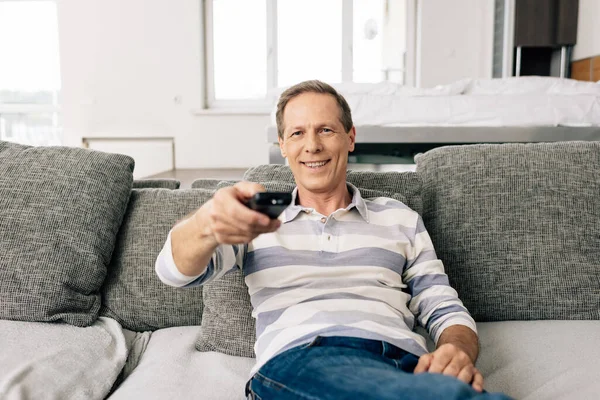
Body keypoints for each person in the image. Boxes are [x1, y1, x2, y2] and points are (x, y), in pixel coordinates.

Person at [155, 80, 511, 400]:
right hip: (302, 359)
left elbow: (444, 308)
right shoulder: (255, 220)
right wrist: (205, 224)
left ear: (350, 137)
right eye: (297, 133)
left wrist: (457, 351)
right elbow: (173, 272)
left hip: (403, 364)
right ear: (282, 145)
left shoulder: (399, 217)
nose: (312, 145)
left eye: (325, 129)